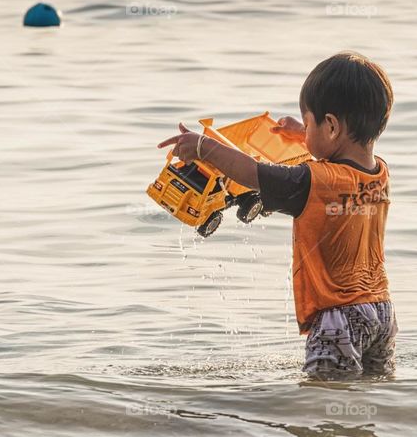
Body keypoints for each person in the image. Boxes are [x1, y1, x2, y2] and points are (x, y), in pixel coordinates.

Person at [158, 52, 396, 379]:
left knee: (321, 406)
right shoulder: (379, 172)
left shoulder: (313, 180)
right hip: (381, 312)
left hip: (337, 320)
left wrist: (203, 148)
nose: (307, 128)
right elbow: (342, 154)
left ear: (330, 126)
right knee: (371, 393)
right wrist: (305, 134)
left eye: (310, 122)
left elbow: (253, 173)